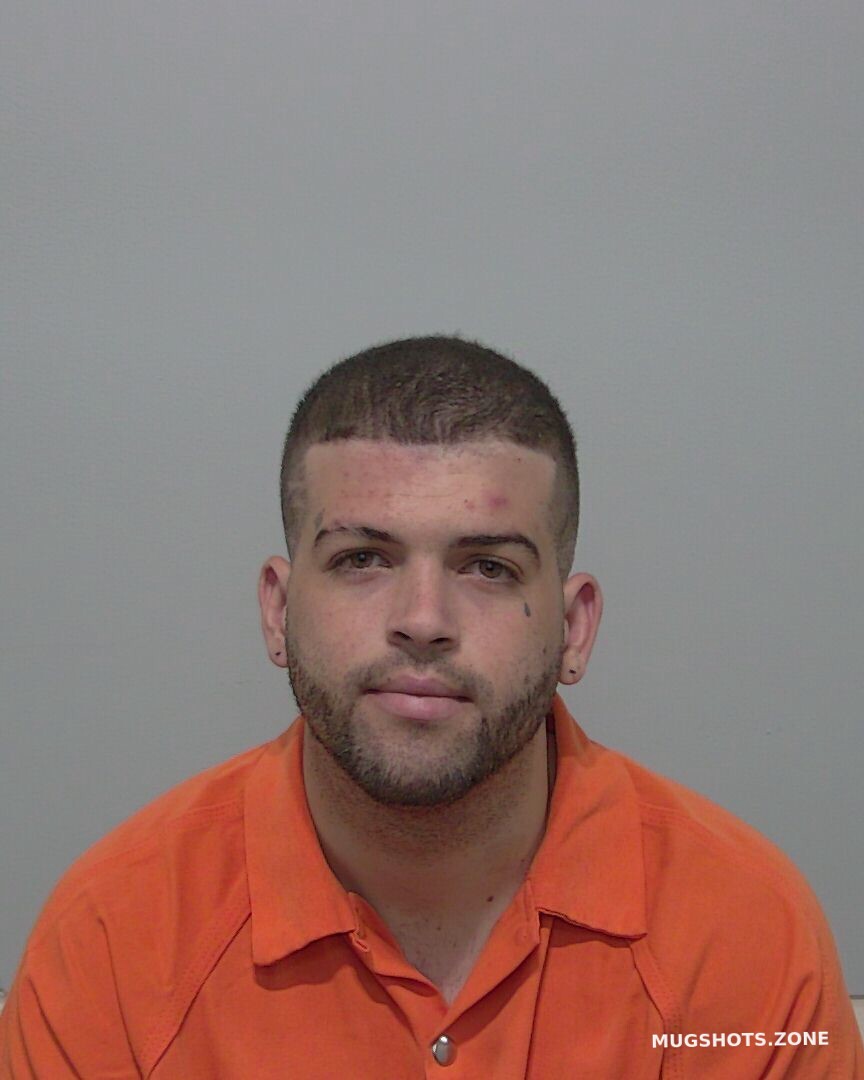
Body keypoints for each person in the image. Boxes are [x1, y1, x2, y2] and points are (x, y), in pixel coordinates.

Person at [0, 336, 861, 1078]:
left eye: (487, 567)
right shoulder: (113, 942)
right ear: (278, 609)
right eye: (363, 559)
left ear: (574, 629)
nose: (422, 620)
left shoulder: (745, 932)